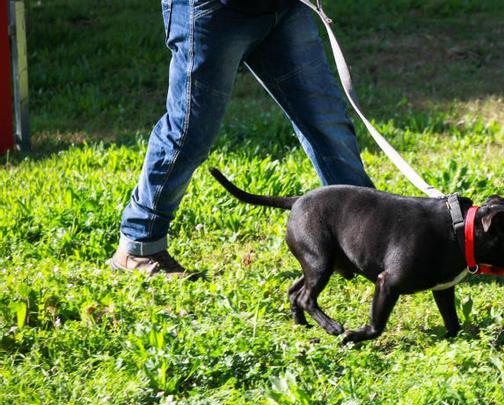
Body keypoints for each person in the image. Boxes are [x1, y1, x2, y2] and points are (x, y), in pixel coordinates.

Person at [109, 0, 374, 277]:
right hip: (212, 11)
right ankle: (139, 243)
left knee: (327, 121)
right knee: (190, 132)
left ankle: (365, 237)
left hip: (284, 8)